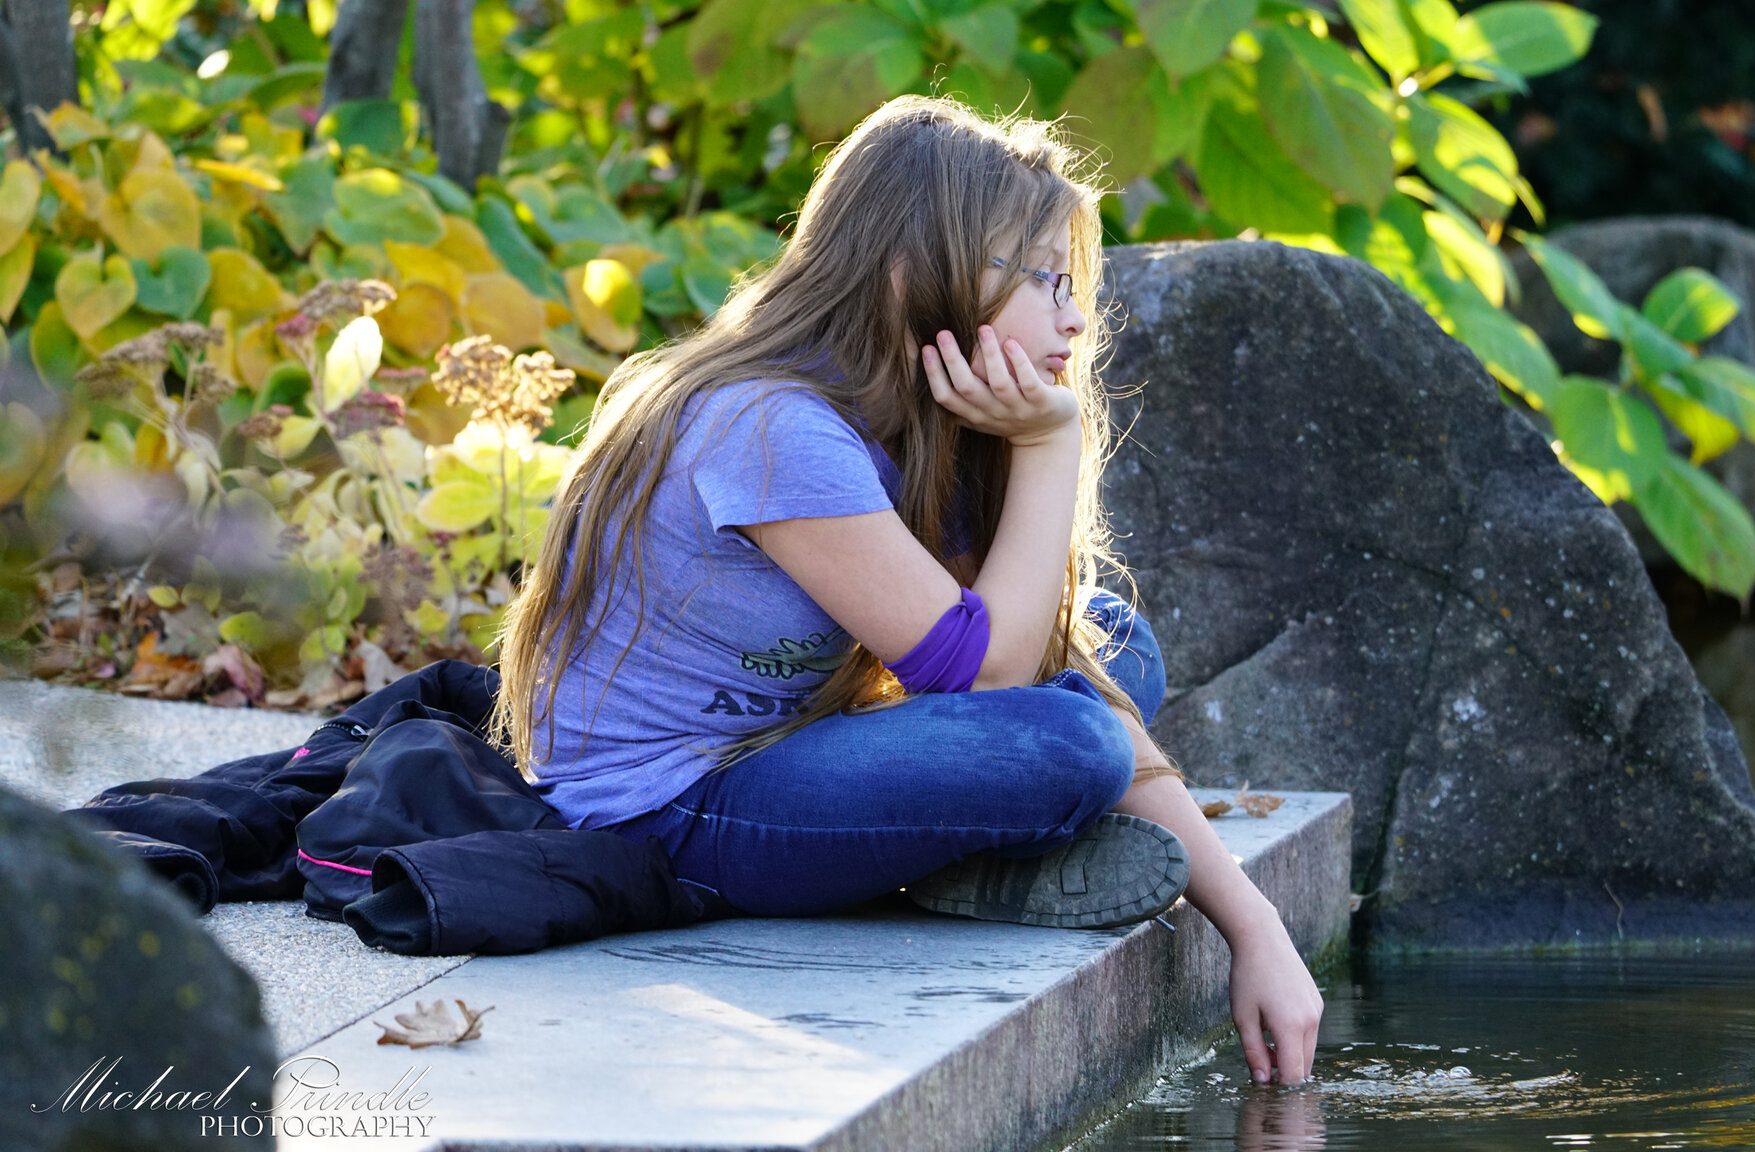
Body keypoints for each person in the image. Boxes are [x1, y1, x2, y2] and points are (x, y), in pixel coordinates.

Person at [487, 94, 1322, 1086]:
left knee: (1109, 643)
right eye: (1045, 279)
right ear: (910, 272)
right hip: (669, 814)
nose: (1074, 315)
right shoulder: (768, 427)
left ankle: (960, 850)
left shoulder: (916, 424)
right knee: (1071, 743)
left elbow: (1046, 656)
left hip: (787, 754)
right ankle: (965, 846)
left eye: (1072, 281)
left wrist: (1253, 926)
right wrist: (1050, 441)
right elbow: (993, 681)